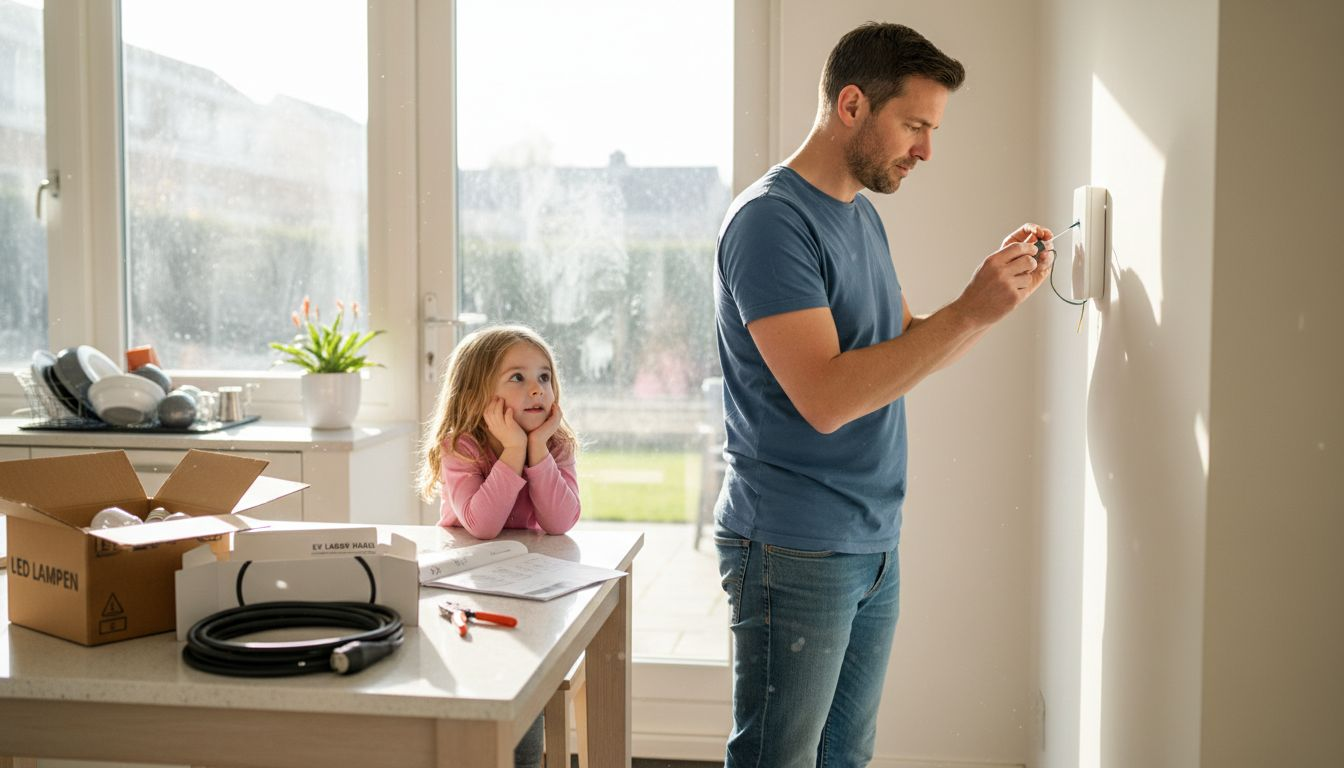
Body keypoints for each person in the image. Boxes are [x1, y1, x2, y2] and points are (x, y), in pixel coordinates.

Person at [713, 22, 1057, 767]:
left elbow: (905, 349)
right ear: (851, 106)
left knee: (846, 758)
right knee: (779, 759)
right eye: (915, 125)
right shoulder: (772, 223)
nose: (926, 150)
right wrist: (970, 309)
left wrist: (995, 294)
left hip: (870, 540)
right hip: (792, 544)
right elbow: (827, 398)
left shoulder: (859, 217)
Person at [417, 324, 581, 768]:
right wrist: (511, 450)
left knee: (525, 676)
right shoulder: (462, 445)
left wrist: (537, 451)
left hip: (527, 584)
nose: (536, 390)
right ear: (478, 392)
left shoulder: (555, 444)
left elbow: (561, 521)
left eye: (544, 377)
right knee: (480, 673)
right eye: (518, 378)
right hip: (465, 585)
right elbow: (482, 525)